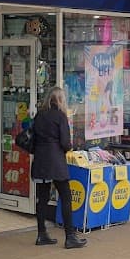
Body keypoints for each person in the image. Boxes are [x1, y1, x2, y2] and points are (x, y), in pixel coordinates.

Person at [30, 86, 86, 249]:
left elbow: (33, 138)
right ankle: (70, 236)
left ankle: (41, 234)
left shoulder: (39, 115)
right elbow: (65, 143)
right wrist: (69, 147)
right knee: (66, 197)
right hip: (56, 162)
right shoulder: (60, 116)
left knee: (42, 198)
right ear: (60, 100)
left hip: (40, 161)